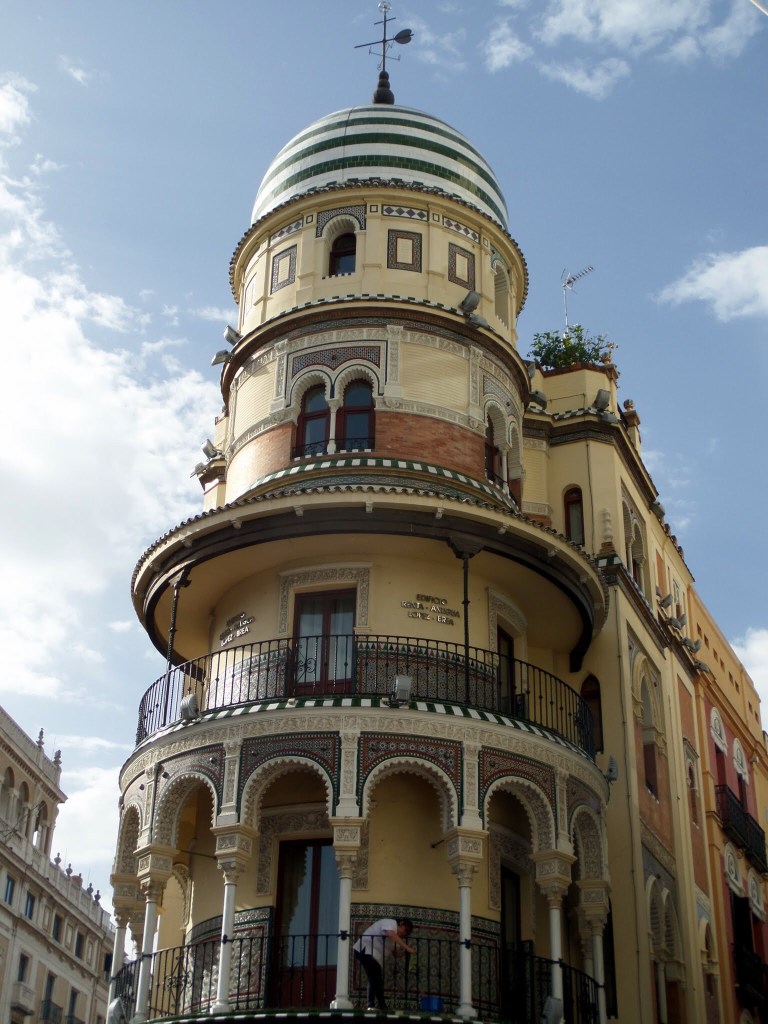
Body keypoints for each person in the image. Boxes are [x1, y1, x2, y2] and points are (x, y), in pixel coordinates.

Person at [353, 917, 416, 1011]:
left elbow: (396, 954)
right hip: (365, 949)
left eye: (406, 934)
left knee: (378, 979)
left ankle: (382, 1006)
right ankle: (370, 1005)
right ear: (401, 923)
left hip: (374, 957)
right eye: (405, 930)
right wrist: (407, 948)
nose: (404, 934)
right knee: (374, 976)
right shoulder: (391, 923)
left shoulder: (396, 938)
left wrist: (405, 953)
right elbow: (389, 933)